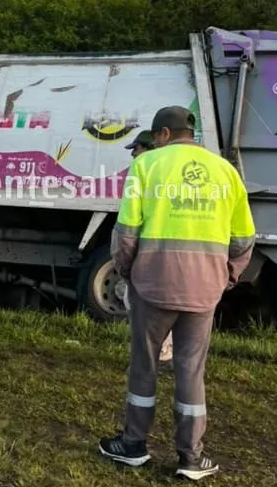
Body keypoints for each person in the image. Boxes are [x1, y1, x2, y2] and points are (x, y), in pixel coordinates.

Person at [99, 106, 255, 481]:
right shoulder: (226, 172)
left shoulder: (145, 166)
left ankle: (133, 445)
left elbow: (126, 233)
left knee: (145, 365)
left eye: (155, 137)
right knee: (190, 370)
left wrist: (127, 272)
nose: (153, 143)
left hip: (152, 285)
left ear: (165, 134)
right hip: (204, 290)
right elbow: (243, 239)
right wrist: (226, 277)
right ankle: (191, 457)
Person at [120, 130, 173, 365]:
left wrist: (124, 259)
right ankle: (163, 352)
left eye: (137, 148)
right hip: (166, 251)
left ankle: (159, 354)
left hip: (150, 252)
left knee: (144, 304)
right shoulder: (165, 172)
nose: (133, 153)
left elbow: (130, 223)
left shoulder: (144, 172)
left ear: (148, 148)